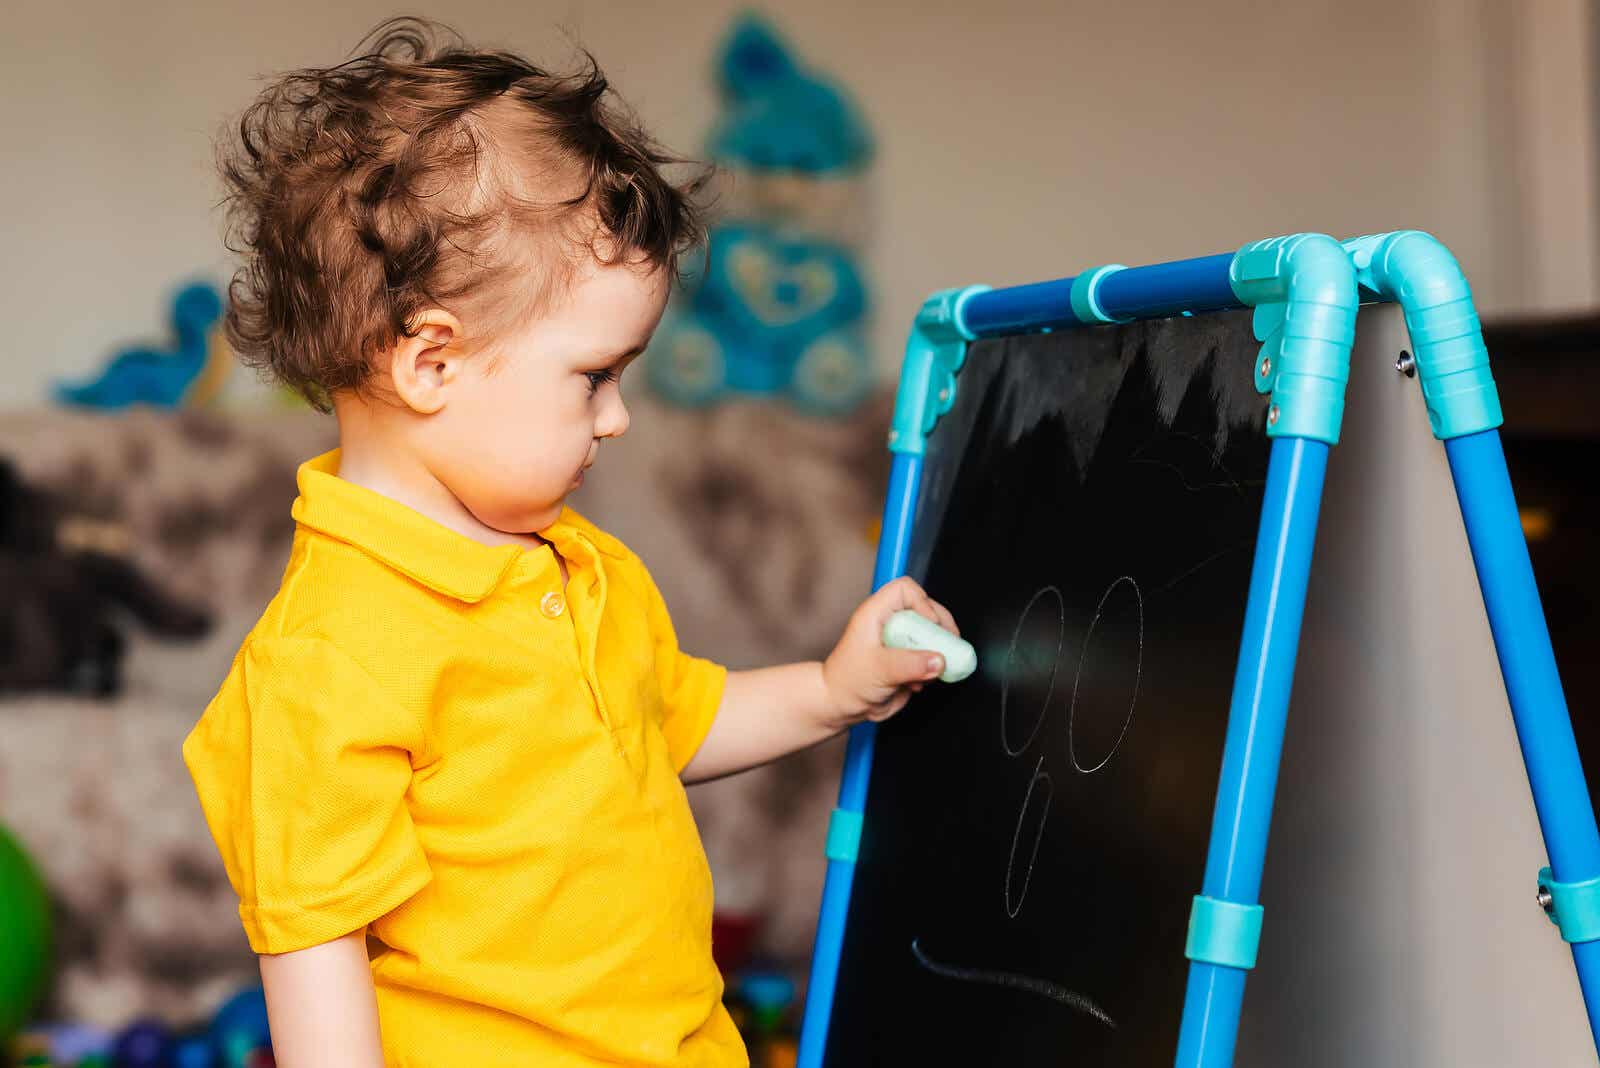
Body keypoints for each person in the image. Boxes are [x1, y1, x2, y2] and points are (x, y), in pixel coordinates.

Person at [182, 18, 957, 1068]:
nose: (618, 417)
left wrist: (832, 687)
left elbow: (675, 722)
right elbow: (315, 953)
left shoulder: (577, 565)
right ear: (431, 364)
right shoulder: (327, 663)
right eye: (593, 376)